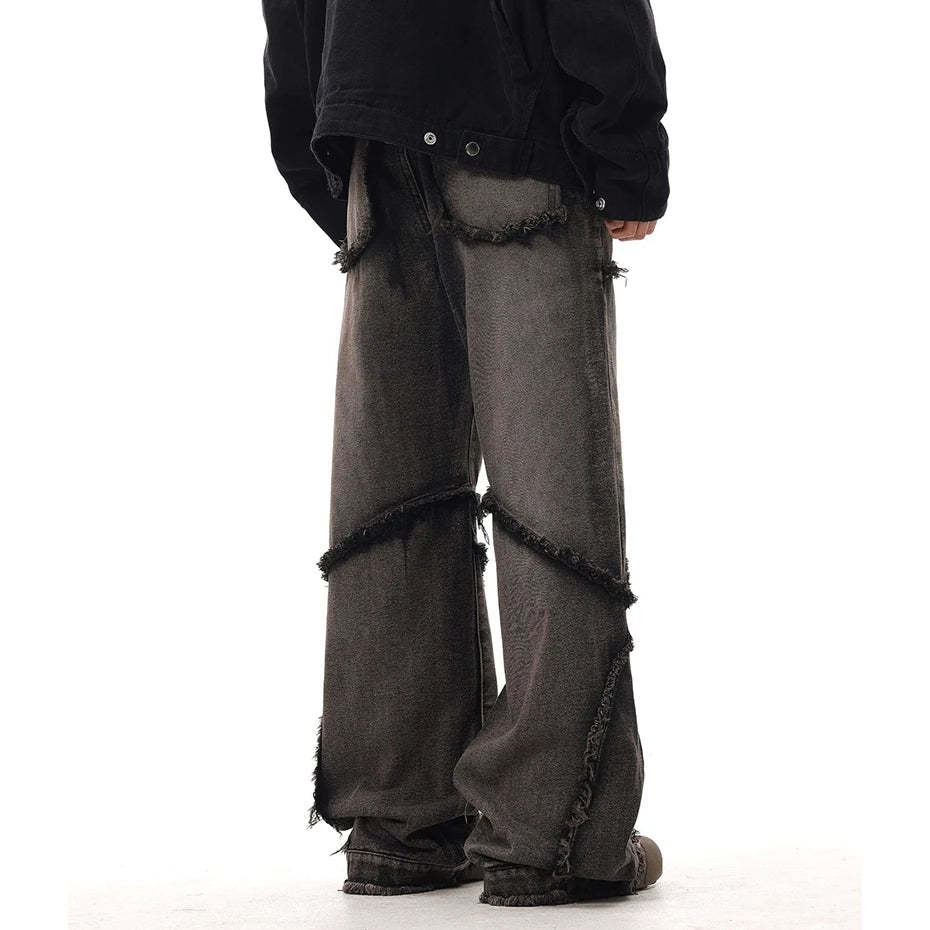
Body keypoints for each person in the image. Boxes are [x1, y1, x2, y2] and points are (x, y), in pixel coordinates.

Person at [261, 0, 669, 907]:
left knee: (393, 485)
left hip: (369, 127)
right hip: (514, 131)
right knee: (551, 481)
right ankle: (552, 836)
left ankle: (399, 824)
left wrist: (320, 139)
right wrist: (627, 146)